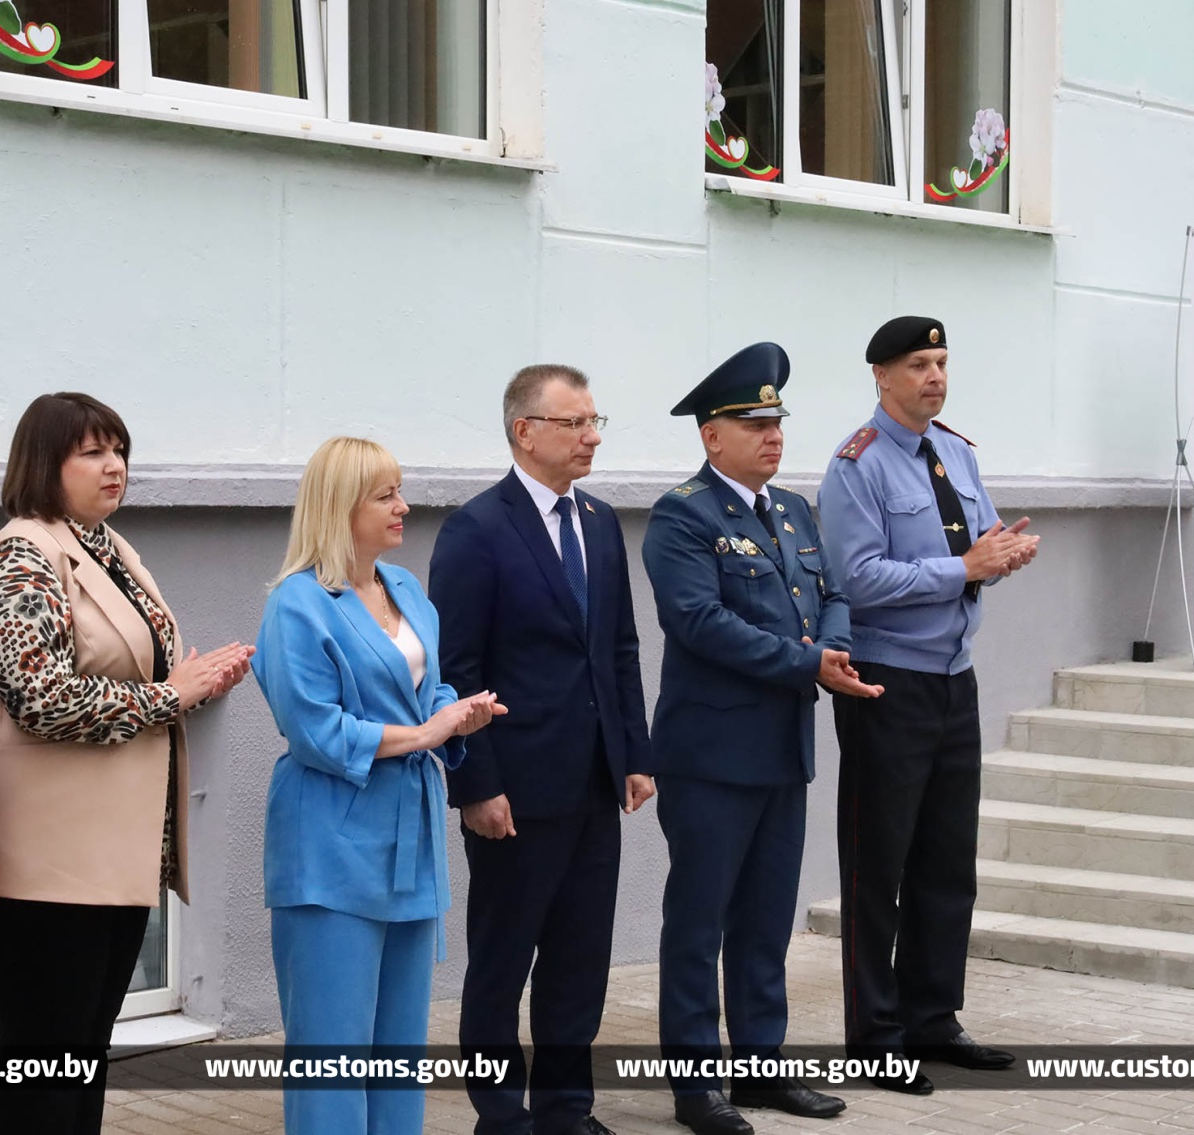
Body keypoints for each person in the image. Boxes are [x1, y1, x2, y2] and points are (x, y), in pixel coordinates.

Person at [0, 392, 254, 1134]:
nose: (113, 465)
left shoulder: (105, 547)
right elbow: (40, 698)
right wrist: (168, 694)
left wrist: (194, 685)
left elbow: (137, 675)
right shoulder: (22, 557)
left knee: (81, 1058)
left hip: (107, 856)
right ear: (44, 463)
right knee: (44, 1066)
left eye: (118, 449)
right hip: (45, 863)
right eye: (91, 452)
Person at [643, 343, 882, 1135]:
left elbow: (835, 594)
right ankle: (694, 1084)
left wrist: (832, 650)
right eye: (753, 423)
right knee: (699, 922)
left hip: (782, 749)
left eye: (777, 421)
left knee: (766, 920)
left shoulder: (794, 511)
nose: (773, 434)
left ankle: (759, 1063)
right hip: (710, 757)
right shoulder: (683, 515)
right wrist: (808, 662)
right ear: (712, 435)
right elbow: (700, 622)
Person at [254, 436, 507, 1135]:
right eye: (385, 495)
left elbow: (427, 689)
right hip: (330, 844)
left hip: (408, 842)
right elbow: (314, 729)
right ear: (341, 507)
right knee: (332, 1051)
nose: (404, 506)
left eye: (401, 490)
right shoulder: (298, 605)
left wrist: (458, 714)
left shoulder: (405, 588)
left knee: (399, 1050)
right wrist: (427, 734)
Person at [430, 365, 654, 1135]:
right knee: (503, 961)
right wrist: (475, 784)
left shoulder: (600, 521)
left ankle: (566, 1109)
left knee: (579, 958)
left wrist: (634, 752)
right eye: (575, 423)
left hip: (592, 782)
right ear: (526, 431)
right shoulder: (478, 529)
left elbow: (618, 648)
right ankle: (501, 1114)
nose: (592, 437)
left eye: (596, 421)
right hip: (515, 792)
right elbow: (456, 669)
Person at [817, 316, 1038, 1094]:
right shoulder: (858, 466)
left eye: (941, 361)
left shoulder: (957, 451)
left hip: (954, 676)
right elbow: (856, 578)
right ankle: (875, 1034)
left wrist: (1002, 556)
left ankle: (932, 1017)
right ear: (881, 376)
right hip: (887, 680)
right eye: (918, 363)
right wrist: (964, 567)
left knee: (948, 860)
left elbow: (977, 546)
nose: (935, 376)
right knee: (878, 863)